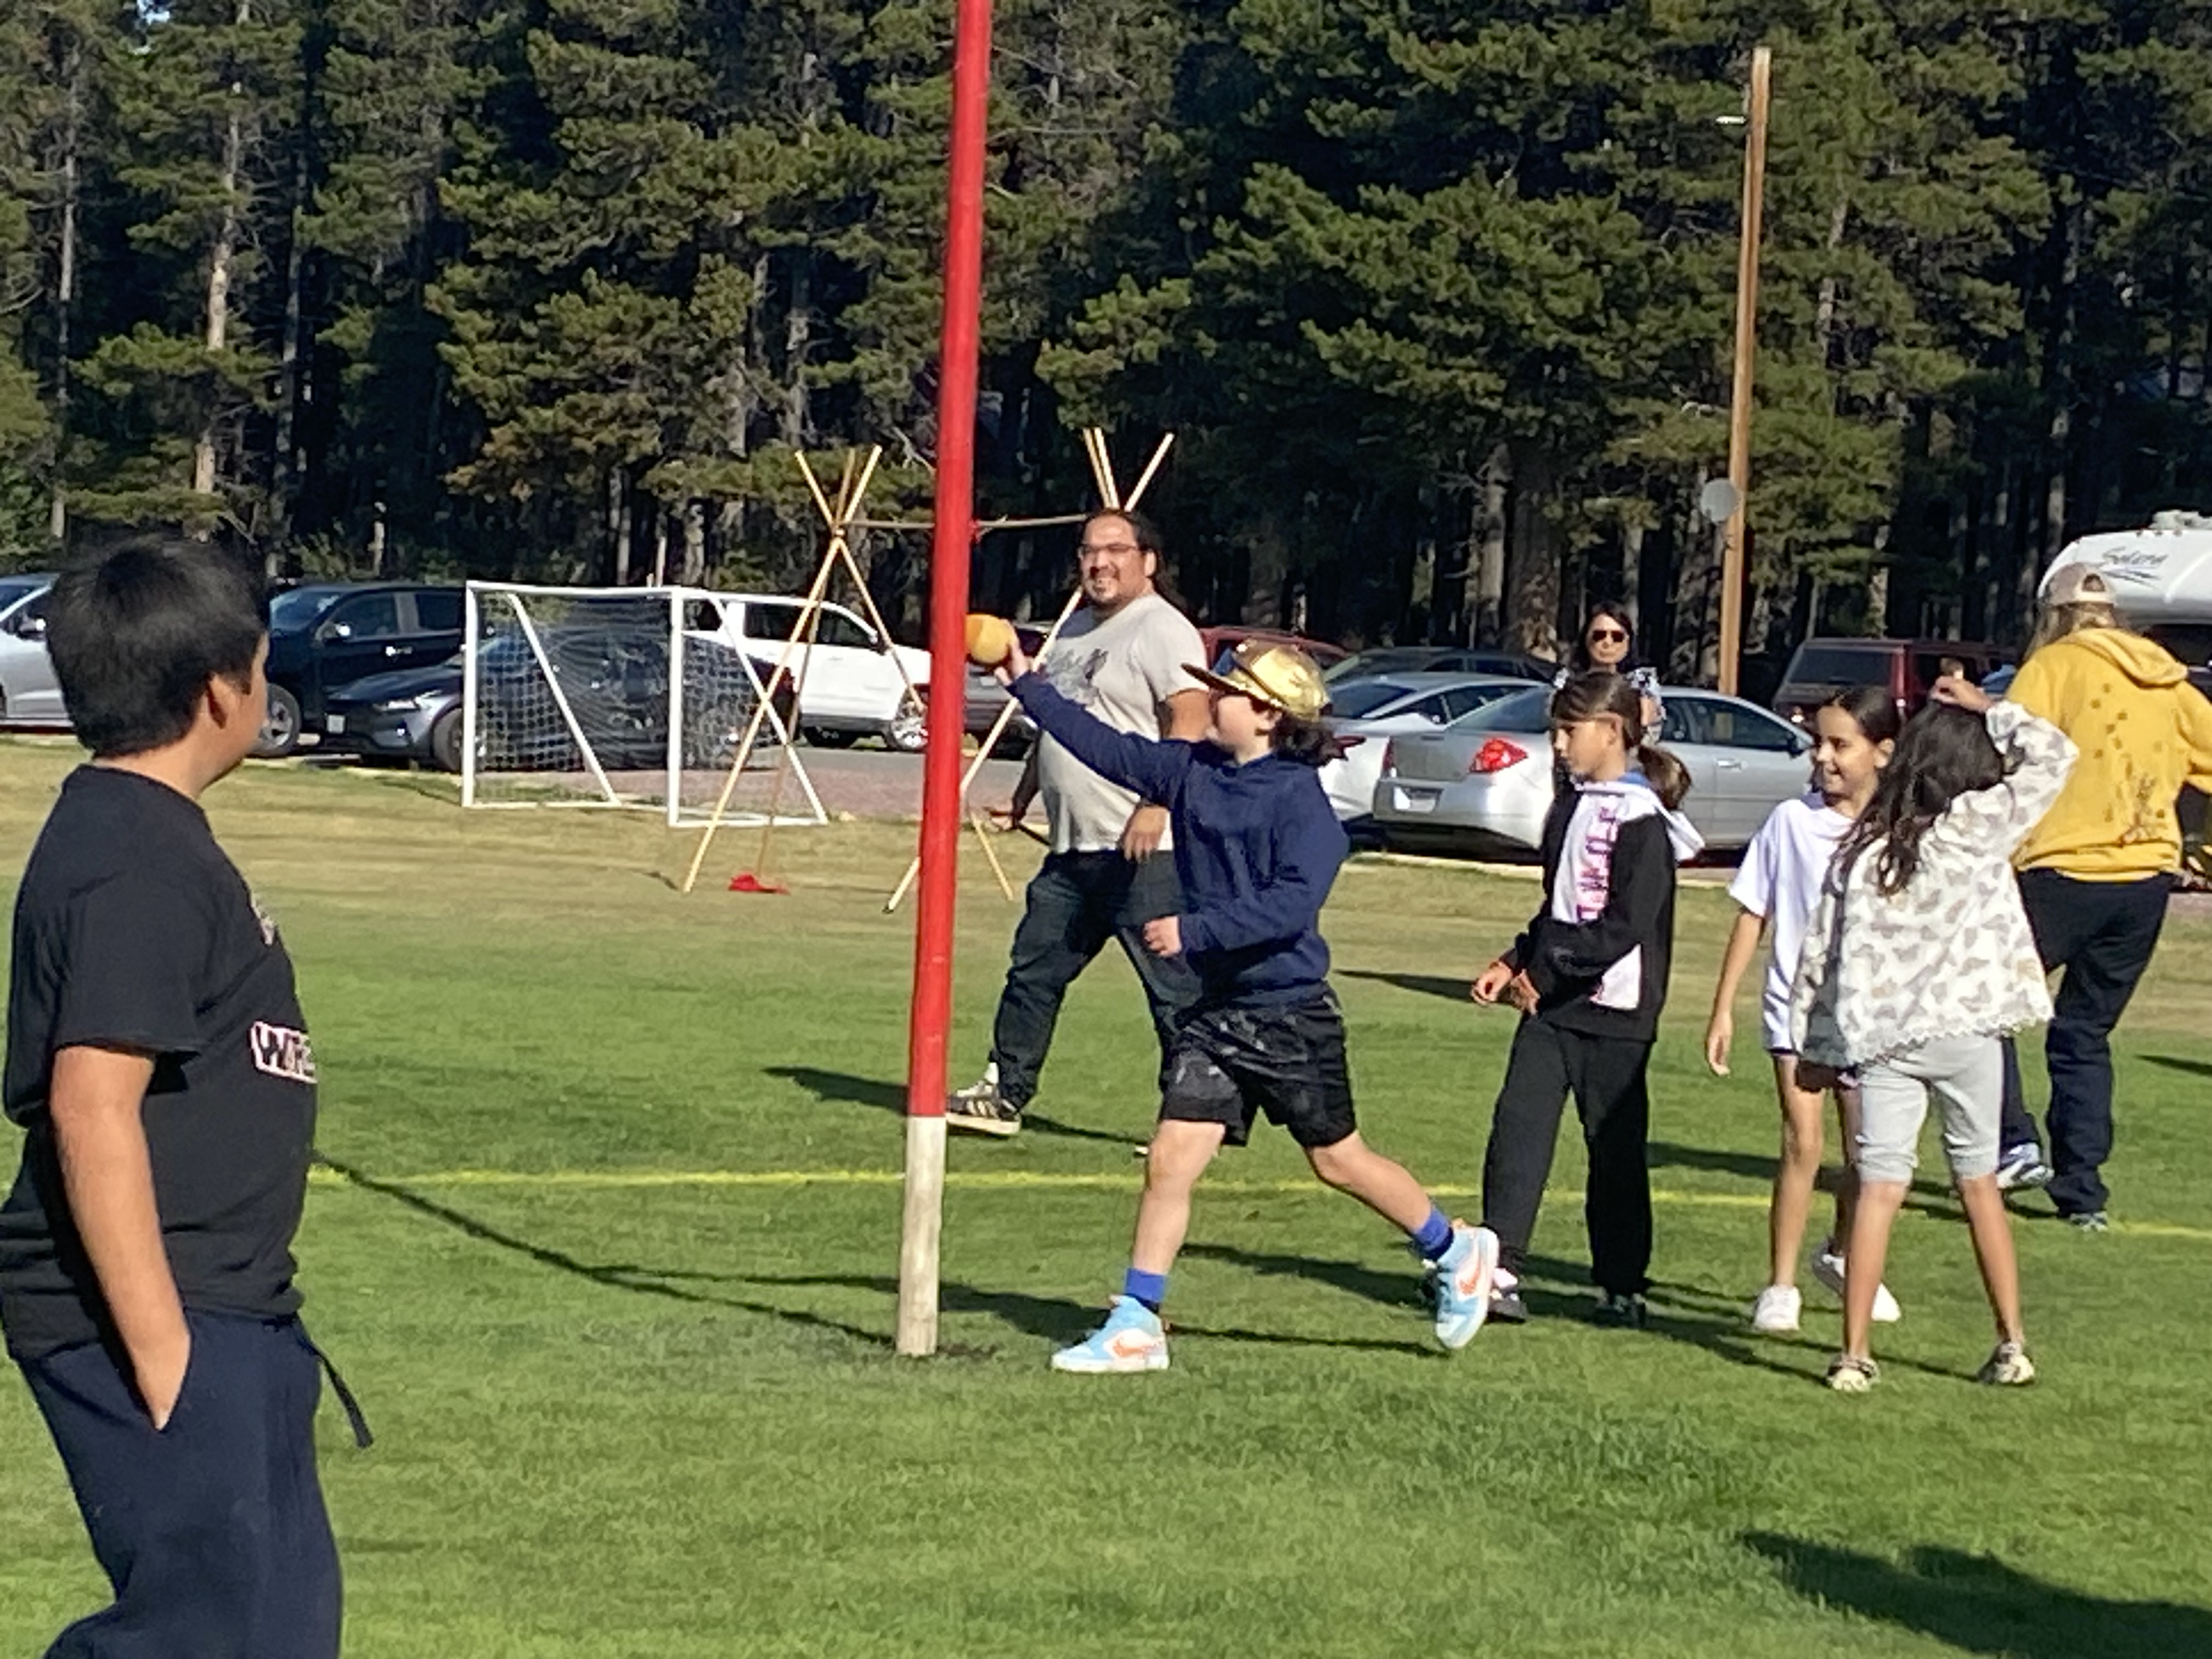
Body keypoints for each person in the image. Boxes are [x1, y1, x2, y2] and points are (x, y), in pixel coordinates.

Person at [1, 538, 353, 1656]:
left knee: (275, 1630)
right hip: (157, 1310)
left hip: (237, 1307)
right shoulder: (130, 861)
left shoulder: (154, 841)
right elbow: (90, 1106)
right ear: (221, 691)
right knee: (205, 1635)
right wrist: (165, 1354)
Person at [996, 636, 1502, 1370]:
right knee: (1170, 1158)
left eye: (1225, 692)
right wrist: (1024, 682)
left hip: (1290, 1011)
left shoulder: (1301, 804)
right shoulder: (1192, 769)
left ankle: (1456, 1251)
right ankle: (1138, 1323)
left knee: (1337, 1160)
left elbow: (1293, 906)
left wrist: (1195, 931)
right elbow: (1103, 747)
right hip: (1218, 1013)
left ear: (1266, 715)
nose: (1210, 699)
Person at [1791, 676, 2075, 1392]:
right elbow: (2055, 757)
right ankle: (2012, 1341)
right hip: (1968, 1034)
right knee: (1979, 1183)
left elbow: (1819, 956)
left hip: (1884, 1042)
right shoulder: (1975, 829)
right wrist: (1993, 710)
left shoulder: (1862, 851)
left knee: (1879, 1188)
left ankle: (1854, 1353)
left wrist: (1814, 1050)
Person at [947, 509, 1210, 1137]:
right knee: (1034, 969)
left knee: (1173, 991)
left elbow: (1192, 717)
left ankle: (1197, 1116)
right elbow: (1057, 728)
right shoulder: (1072, 634)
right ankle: (1004, 1094)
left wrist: (1159, 803)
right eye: (1090, 551)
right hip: (1074, 850)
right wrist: (1022, 797)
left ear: (1148, 561)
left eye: (1116, 550)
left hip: (1147, 850)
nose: (1099, 563)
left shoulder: (1161, 629)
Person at [1470, 671, 1702, 1330]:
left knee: (1615, 1150)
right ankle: (1501, 1267)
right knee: (1518, 1130)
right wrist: (1515, 958)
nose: (1559, 743)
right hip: (1552, 1010)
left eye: (1569, 730)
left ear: (1612, 731)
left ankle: (1622, 1285)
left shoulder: (1643, 822)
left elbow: (1624, 926)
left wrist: (1550, 973)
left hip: (1617, 1015)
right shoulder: (1571, 805)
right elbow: (1559, 906)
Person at [1991, 565, 2212, 1228]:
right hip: (2145, 877)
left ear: (2052, 616)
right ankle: (2082, 1189)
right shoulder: (2168, 679)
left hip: (2063, 869)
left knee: (1985, 1007)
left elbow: (2006, 747)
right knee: (2085, 1030)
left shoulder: (2055, 666)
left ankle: (2012, 1141)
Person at [1706, 686, 1902, 1333]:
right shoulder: (1790, 822)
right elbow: (1752, 913)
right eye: (1819, 742)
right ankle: (1781, 1284)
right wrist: (1724, 1008)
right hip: (1796, 1009)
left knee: (1867, 1154)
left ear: (1882, 752)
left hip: (1868, 1017)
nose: (1824, 757)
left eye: (1840, 745)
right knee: (1802, 1143)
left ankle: (1846, 1255)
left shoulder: (1896, 830)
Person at [1552, 603, 1663, 729]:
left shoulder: (1642, 683)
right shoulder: (1567, 680)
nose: (1607, 643)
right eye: (1599, 635)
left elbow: (1648, 730)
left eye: (1617, 637)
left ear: (1628, 642)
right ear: (1586, 638)